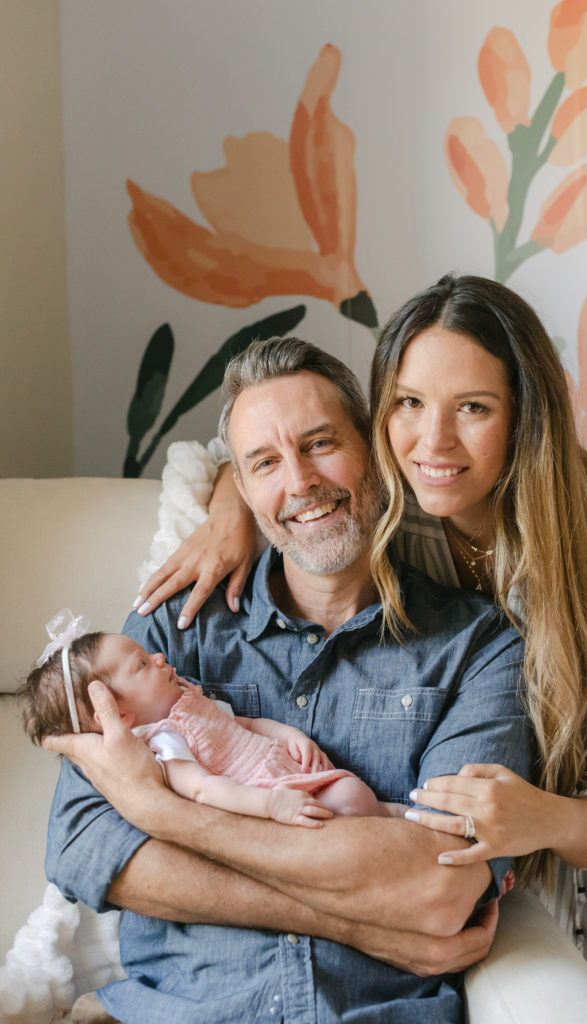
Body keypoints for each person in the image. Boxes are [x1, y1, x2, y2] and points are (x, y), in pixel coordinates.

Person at [137, 276, 587, 1024]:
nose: (433, 443)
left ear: (524, 418)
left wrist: (543, 820)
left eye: (474, 409)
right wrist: (235, 509)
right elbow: (283, 447)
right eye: (409, 403)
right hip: (498, 849)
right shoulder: (398, 502)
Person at [44, 337, 535, 1023]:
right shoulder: (166, 632)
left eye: (320, 443)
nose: (300, 481)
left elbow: (440, 885)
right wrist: (361, 922)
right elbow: (82, 847)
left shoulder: (478, 647)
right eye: (266, 463)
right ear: (241, 490)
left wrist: (165, 816)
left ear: (374, 449)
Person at [21, 619, 397, 825]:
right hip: (267, 798)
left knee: (353, 792)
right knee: (350, 798)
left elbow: (246, 725)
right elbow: (204, 789)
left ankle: (394, 817)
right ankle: (391, 825)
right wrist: (271, 806)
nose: (158, 656)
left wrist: (291, 734)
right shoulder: (164, 744)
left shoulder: (191, 699)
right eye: (141, 665)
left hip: (286, 769)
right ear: (119, 715)